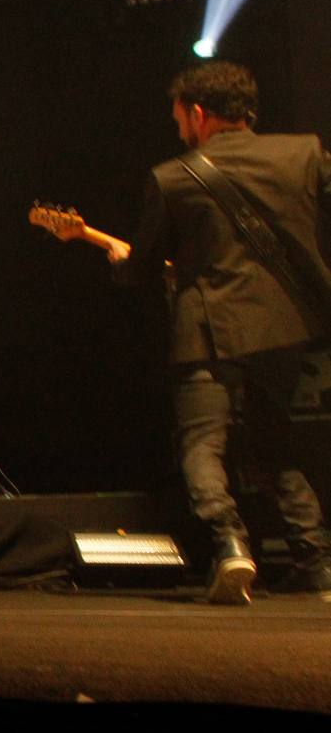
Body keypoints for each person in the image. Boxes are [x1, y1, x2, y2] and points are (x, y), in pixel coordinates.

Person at [109, 60, 331, 604]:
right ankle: (318, 562)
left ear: (199, 114)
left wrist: (122, 261)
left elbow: (143, 268)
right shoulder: (303, 153)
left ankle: (230, 543)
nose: (178, 125)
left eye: (179, 114)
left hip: (207, 331)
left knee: (202, 443)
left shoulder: (172, 177)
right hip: (283, 327)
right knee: (277, 443)